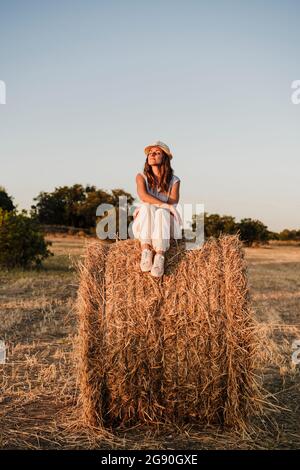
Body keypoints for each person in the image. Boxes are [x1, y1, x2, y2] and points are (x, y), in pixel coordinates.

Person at [132, 140, 182, 278]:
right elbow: (143, 196)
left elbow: (173, 201)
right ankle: (146, 251)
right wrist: (166, 205)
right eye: (150, 153)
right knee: (147, 206)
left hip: (165, 227)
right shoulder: (141, 177)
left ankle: (160, 255)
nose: (152, 155)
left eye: (157, 153)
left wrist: (164, 207)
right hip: (144, 225)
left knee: (162, 212)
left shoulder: (174, 181)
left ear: (164, 158)